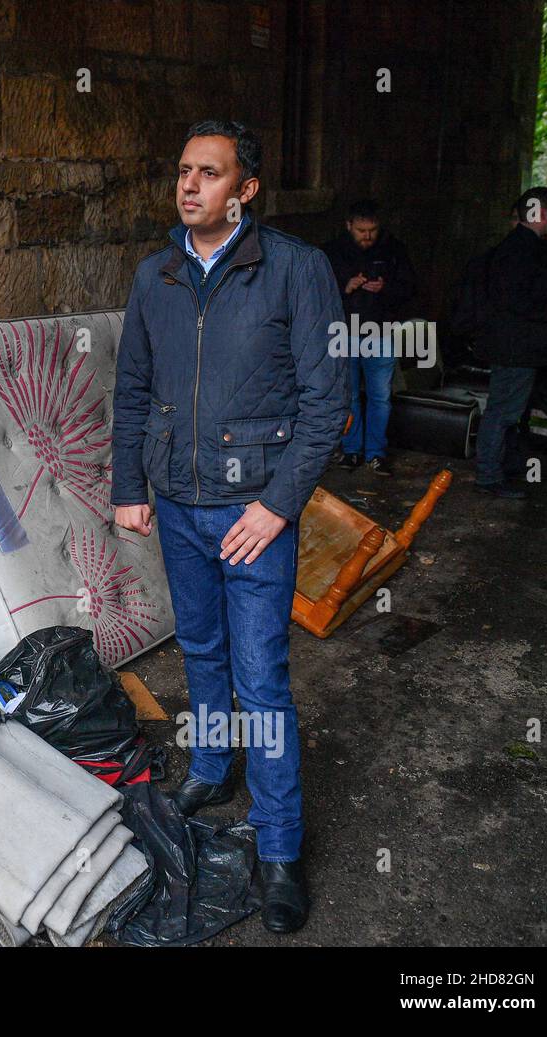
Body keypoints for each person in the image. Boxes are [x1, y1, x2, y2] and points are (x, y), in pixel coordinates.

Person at [112, 119, 348, 935]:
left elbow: (327, 405)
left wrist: (277, 505)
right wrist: (128, 484)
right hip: (178, 503)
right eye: (183, 171)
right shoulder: (156, 276)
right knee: (202, 651)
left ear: (245, 190)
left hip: (255, 512)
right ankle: (213, 764)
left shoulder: (296, 270)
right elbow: (132, 388)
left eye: (208, 174)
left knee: (260, 677)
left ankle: (280, 846)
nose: (189, 186)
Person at [471, 186, 547, 499]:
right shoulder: (521, 251)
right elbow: (517, 301)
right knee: (503, 411)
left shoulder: (520, 247)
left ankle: (504, 465)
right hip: (517, 346)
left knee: (510, 410)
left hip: (520, 345)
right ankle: (489, 475)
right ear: (541, 213)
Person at [322, 199, 418, 476]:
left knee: (380, 397)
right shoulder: (332, 252)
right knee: (347, 397)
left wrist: (385, 289)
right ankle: (351, 450)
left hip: (380, 331)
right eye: (361, 230)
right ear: (349, 225)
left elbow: (410, 288)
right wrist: (345, 288)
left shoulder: (393, 250)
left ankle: (376, 452)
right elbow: (314, 294)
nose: (367, 236)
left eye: (372, 230)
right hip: (343, 331)